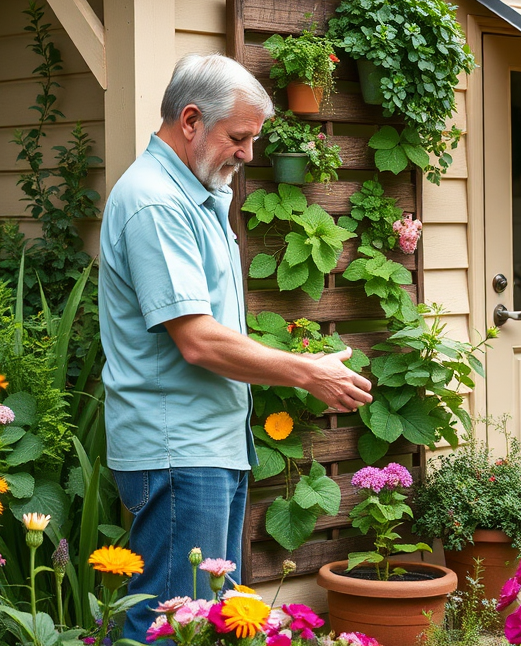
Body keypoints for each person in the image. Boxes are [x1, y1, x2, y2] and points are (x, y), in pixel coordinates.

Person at [98, 54, 373, 640]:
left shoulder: (196, 194)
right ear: (191, 121)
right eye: (239, 137)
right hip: (178, 448)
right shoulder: (156, 203)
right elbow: (196, 340)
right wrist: (306, 372)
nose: (249, 154)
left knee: (207, 621)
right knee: (169, 625)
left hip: (210, 444)